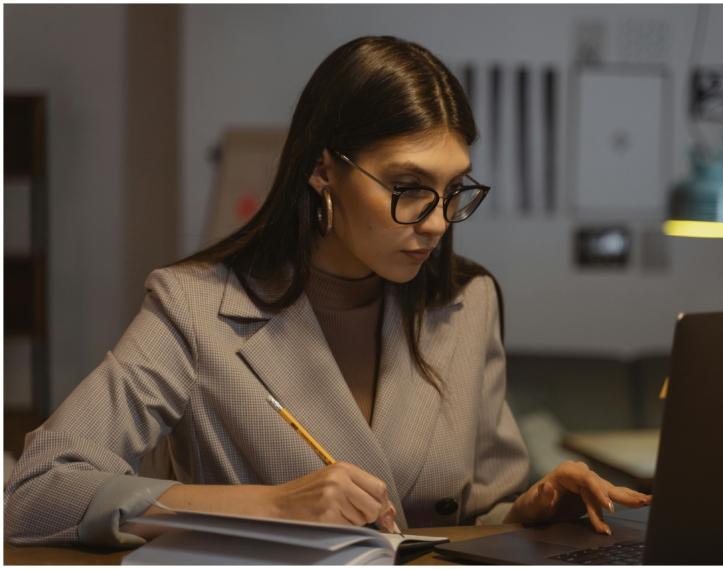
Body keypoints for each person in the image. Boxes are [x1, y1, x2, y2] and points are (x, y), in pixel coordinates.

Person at [4, 35, 650, 548]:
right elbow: (38, 493)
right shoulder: (194, 306)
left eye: (455, 190)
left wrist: (532, 507)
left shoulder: (465, 300)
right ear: (322, 171)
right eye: (408, 186)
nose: (435, 219)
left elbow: (475, 514)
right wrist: (270, 505)